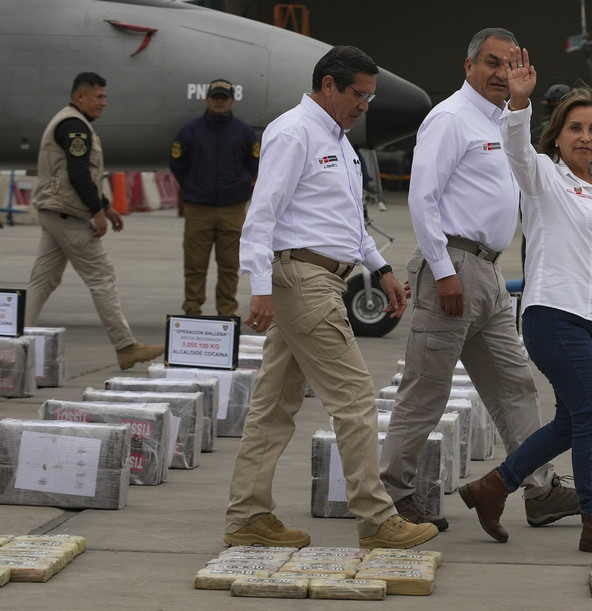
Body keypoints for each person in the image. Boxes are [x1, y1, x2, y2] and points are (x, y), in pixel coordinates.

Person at [224, 46, 437, 551]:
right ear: (328, 86)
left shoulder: (338, 141)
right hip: (302, 279)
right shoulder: (294, 132)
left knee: (274, 405)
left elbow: (346, 224)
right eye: (358, 94)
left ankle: (247, 515)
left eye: (370, 95)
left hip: (323, 278)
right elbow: (261, 217)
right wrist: (259, 289)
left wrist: (380, 268)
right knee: (356, 399)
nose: (365, 104)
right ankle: (376, 518)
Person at [458, 48, 592, 552]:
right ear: (558, 133)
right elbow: (516, 150)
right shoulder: (544, 176)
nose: (585, 138)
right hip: (552, 314)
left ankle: (493, 487)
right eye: (575, 128)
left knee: (573, 420)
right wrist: (521, 104)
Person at [379, 27, 579, 532]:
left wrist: (522, 105)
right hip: (452, 267)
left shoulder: (501, 120)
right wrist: (444, 273)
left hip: (488, 273)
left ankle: (540, 491)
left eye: (509, 64)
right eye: (490, 63)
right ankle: (391, 498)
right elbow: (422, 201)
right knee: (426, 390)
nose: (499, 74)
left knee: (516, 385)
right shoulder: (450, 119)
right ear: (468, 66)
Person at [25, 72, 164, 371]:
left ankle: (14, 338)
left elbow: (76, 174)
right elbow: (78, 174)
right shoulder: (75, 126)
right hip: (69, 214)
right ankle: (126, 346)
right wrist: (97, 212)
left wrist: (106, 206)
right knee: (102, 278)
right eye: (98, 97)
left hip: (54, 212)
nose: (104, 103)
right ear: (80, 97)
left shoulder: (71, 121)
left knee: (42, 281)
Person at [169, 78, 259, 317]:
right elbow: (178, 164)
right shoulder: (190, 131)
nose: (220, 102)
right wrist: (193, 187)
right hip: (199, 208)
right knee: (195, 264)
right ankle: (192, 311)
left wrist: (241, 189)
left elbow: (255, 164)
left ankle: (227, 314)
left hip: (233, 209)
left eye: (224, 98)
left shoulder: (243, 132)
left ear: (232, 101)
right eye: (216, 97)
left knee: (230, 266)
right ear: (208, 100)